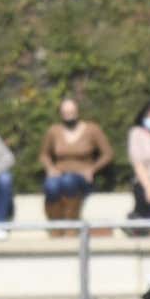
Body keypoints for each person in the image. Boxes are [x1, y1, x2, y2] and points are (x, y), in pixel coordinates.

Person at [39, 98, 113, 233]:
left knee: (69, 181)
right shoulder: (53, 131)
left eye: (71, 112)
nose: (69, 115)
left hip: (82, 176)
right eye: (65, 112)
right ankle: (56, 228)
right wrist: (50, 168)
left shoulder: (92, 129)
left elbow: (107, 154)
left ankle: (70, 226)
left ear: (78, 112)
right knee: (51, 185)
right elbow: (44, 154)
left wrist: (93, 169)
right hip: (59, 173)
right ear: (61, 114)